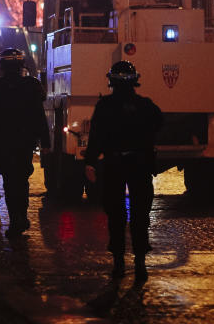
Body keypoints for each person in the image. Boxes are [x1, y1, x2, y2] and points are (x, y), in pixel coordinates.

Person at [84, 61, 163, 282]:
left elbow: (96, 137)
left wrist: (90, 162)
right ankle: (139, 263)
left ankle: (119, 262)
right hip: (140, 164)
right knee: (140, 216)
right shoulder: (146, 105)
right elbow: (159, 124)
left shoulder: (104, 106)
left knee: (116, 215)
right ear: (134, 81)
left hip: (114, 165)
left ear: (111, 81)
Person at [0, 48, 50, 237]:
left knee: (10, 180)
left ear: (1, 65)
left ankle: (15, 219)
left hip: (3, 140)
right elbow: (39, 115)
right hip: (25, 142)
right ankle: (21, 215)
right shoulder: (32, 85)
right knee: (21, 179)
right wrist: (45, 141)